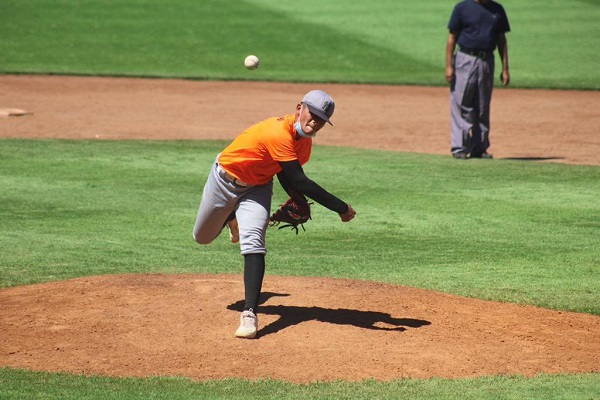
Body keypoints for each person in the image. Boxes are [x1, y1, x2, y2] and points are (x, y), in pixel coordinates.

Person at [192, 90, 357, 339]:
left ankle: (249, 313)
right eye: (313, 115)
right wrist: (341, 208)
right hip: (223, 180)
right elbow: (300, 181)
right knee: (202, 237)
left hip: (257, 187)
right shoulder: (277, 132)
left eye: (322, 120)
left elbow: (285, 174)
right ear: (299, 107)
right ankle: (231, 217)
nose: (315, 122)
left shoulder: (305, 145)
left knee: (254, 241)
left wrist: (298, 200)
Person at [445, 0, 511, 159]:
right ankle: (460, 147)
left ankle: (479, 148)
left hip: (487, 60)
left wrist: (505, 68)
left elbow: (501, 40)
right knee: (461, 103)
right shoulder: (462, 8)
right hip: (465, 58)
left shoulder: (497, 10)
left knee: (482, 105)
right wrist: (449, 65)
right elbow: (452, 38)